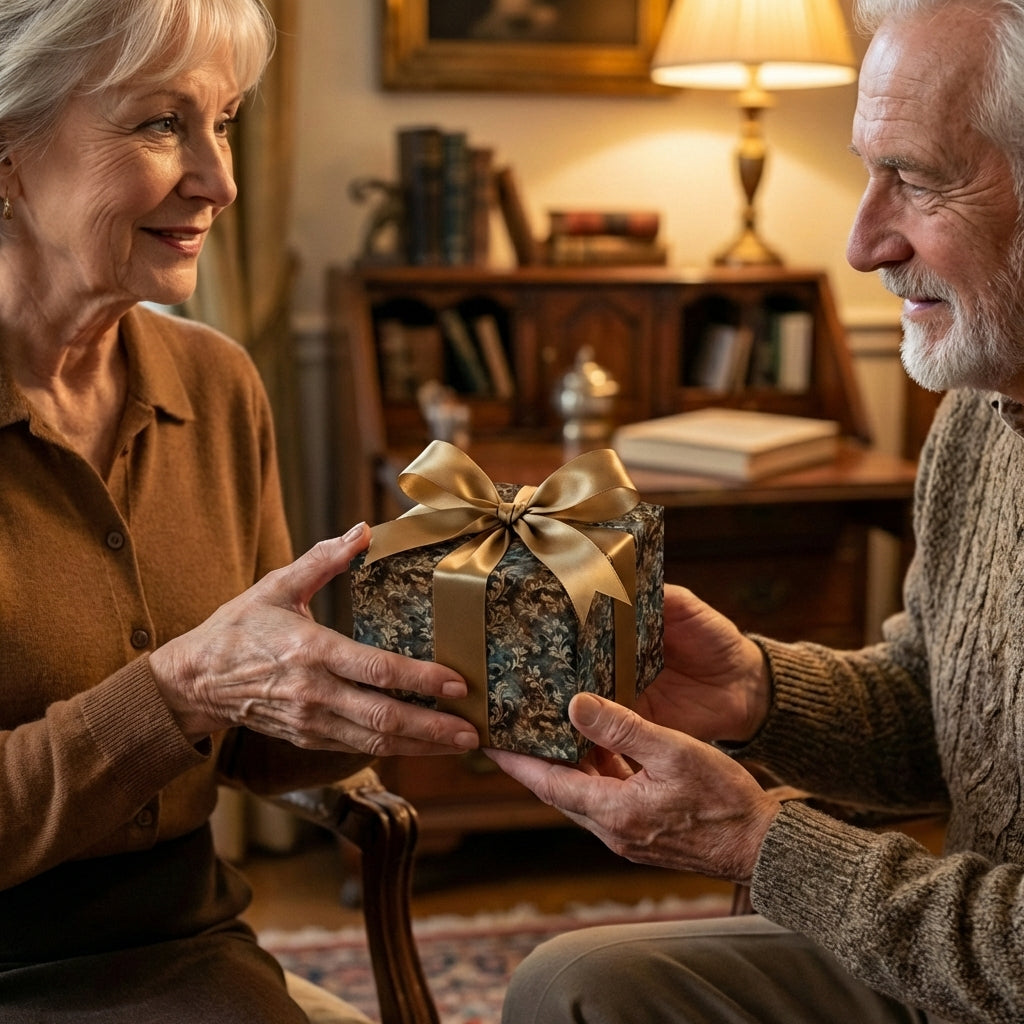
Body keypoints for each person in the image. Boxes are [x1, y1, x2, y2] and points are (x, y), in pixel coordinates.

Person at [488, 1, 1024, 1021]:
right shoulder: (977, 419)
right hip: (957, 974)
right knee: (578, 987)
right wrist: (757, 689)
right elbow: (940, 709)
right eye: (868, 170)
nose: (863, 240)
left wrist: (763, 844)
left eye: (915, 178)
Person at [0, 2, 478, 1022]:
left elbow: (257, 743)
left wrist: (435, 663)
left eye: (223, 124)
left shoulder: (215, 381)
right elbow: (195, 694)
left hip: (183, 949)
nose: (218, 181)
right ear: (7, 153)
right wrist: (175, 690)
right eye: (160, 124)